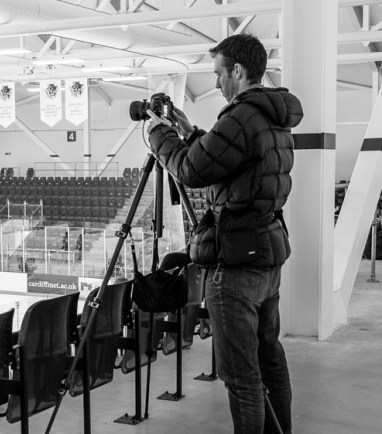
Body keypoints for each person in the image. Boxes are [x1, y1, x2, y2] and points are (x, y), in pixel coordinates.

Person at [146, 34, 301, 433]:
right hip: (267, 254)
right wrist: (187, 129)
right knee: (270, 355)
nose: (216, 83)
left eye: (218, 73)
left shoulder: (241, 116)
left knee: (242, 378)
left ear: (237, 70)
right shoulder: (272, 114)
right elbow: (231, 161)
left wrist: (157, 134)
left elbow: (192, 171)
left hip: (235, 265)